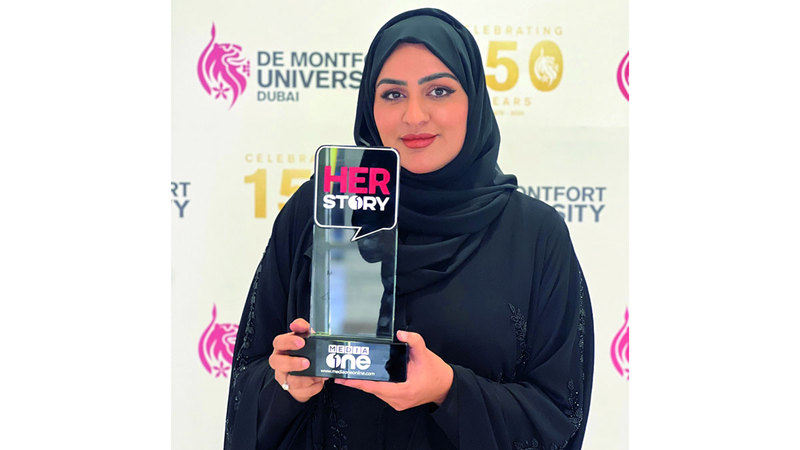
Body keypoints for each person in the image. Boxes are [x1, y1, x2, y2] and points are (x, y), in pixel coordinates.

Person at [224, 8, 594, 450]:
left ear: (474, 100)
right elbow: (248, 383)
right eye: (393, 94)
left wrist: (447, 389)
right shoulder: (319, 210)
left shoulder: (534, 235)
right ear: (370, 107)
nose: (414, 115)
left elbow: (561, 413)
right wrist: (288, 383)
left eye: (439, 91)